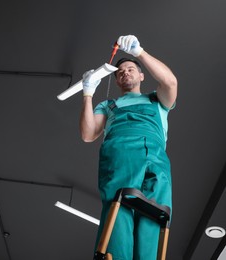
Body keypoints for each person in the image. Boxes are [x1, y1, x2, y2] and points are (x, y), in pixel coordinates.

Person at [79, 35, 178, 260]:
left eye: (131, 68)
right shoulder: (108, 105)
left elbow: (170, 82)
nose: (125, 72)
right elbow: (87, 134)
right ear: (115, 81)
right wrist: (87, 94)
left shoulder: (158, 100)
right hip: (120, 152)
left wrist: (139, 52)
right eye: (120, 71)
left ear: (142, 75)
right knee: (119, 208)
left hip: (157, 157)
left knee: (155, 214)